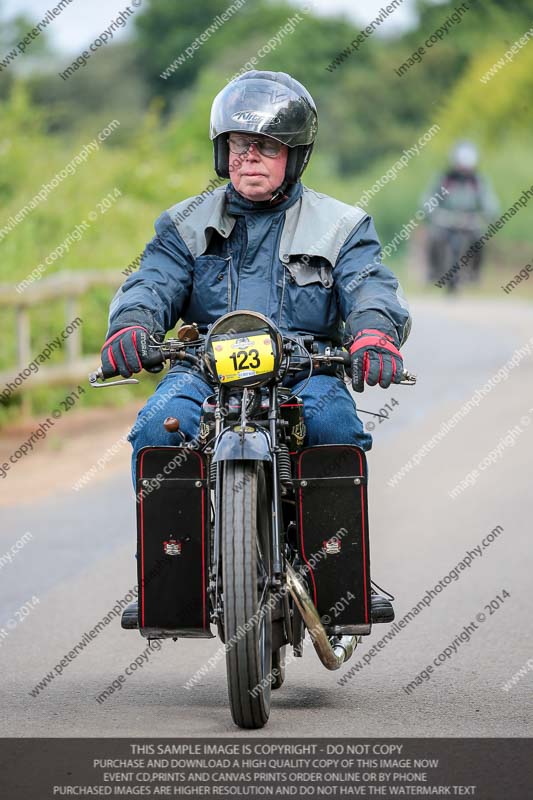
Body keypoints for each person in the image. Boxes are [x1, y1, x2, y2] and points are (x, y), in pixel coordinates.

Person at [101, 71, 411, 622]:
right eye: (240, 145)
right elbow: (152, 282)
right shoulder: (184, 224)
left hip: (304, 367)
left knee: (335, 427)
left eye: (266, 147)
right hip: (205, 366)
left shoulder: (340, 226)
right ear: (223, 152)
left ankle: (339, 578)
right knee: (157, 427)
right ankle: (172, 574)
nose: (250, 158)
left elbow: (369, 285)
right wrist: (132, 324)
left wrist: (373, 332)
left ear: (294, 156)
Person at [424, 140, 499, 285]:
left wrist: (490, 213)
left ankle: (475, 273)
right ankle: (433, 271)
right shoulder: (445, 178)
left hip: (469, 218)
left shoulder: (477, 181)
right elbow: (428, 197)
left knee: (479, 238)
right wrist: (431, 211)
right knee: (434, 236)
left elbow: (488, 200)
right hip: (445, 217)